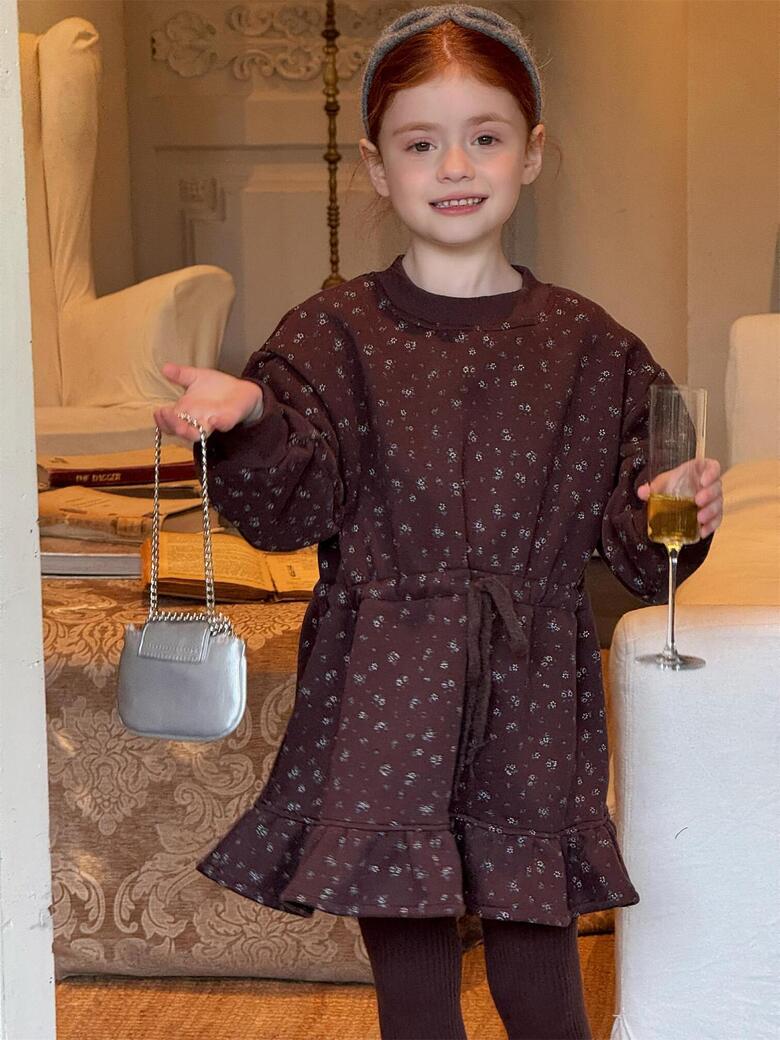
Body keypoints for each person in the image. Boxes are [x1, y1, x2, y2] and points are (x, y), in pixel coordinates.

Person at [154, 6, 723, 1038]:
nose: (455, 165)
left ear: (531, 152)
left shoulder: (594, 347)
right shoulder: (328, 335)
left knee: (536, 944)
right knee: (410, 955)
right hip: (384, 680)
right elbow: (290, 511)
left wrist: (680, 505)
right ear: (378, 168)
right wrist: (251, 421)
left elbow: (649, 549)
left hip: (533, 683)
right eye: (421, 144)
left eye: (485, 136)